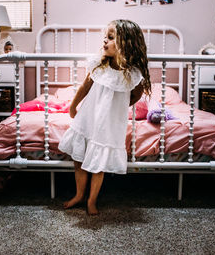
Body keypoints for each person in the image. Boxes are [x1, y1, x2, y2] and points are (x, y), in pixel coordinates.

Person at [58, 19, 152, 215]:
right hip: (88, 117)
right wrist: (73, 106)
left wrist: (117, 107)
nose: (104, 41)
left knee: (98, 163)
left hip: (108, 124)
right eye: (105, 37)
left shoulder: (132, 74)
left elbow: (136, 95)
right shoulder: (99, 65)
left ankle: (92, 200)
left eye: (110, 38)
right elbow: (84, 87)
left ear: (125, 43)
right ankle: (79, 195)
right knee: (79, 157)